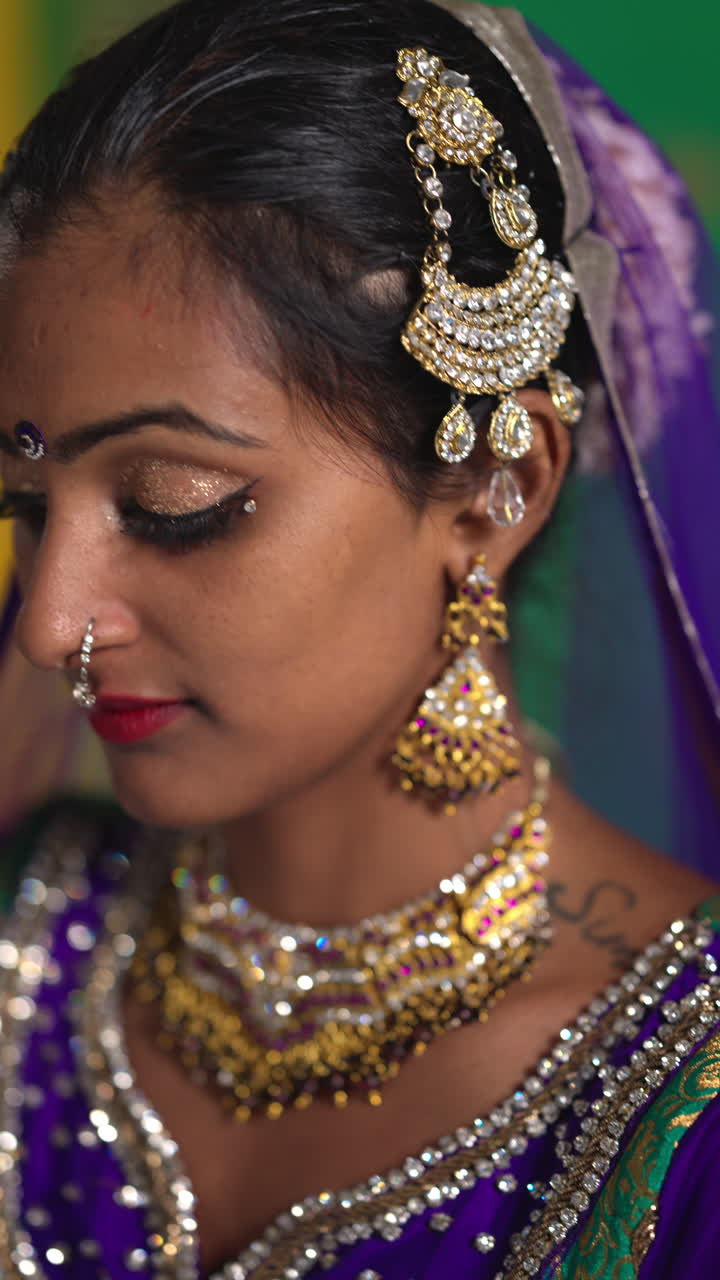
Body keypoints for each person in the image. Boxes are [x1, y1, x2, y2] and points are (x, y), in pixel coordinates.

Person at [0, 0, 718, 1275]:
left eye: (176, 509)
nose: (56, 618)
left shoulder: (684, 1105)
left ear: (497, 486)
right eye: (24, 506)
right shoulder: (23, 938)